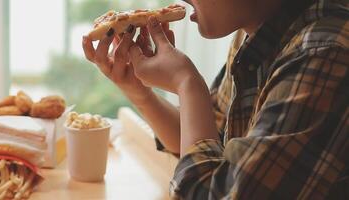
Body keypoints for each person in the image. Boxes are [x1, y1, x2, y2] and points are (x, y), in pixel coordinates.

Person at [82, 0, 349, 199]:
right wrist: (140, 92)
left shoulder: (324, 53)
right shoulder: (255, 32)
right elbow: (207, 145)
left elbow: (210, 189)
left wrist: (188, 84)